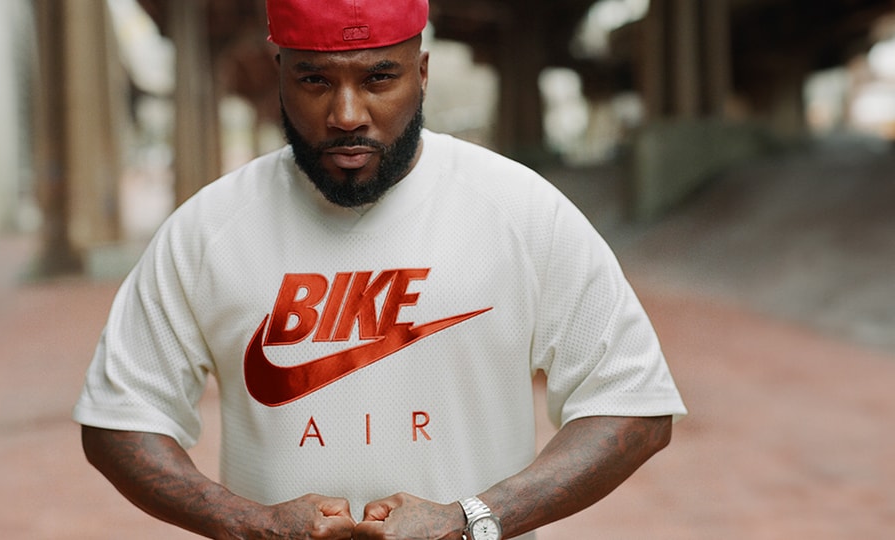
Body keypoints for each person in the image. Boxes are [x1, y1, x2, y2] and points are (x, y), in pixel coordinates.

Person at [72, 0, 687, 538]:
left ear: (421, 74)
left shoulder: (520, 212)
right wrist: (243, 521)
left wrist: (472, 519)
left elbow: (633, 403)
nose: (346, 114)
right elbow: (119, 420)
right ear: (278, 74)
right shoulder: (208, 230)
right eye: (314, 79)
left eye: (378, 78)